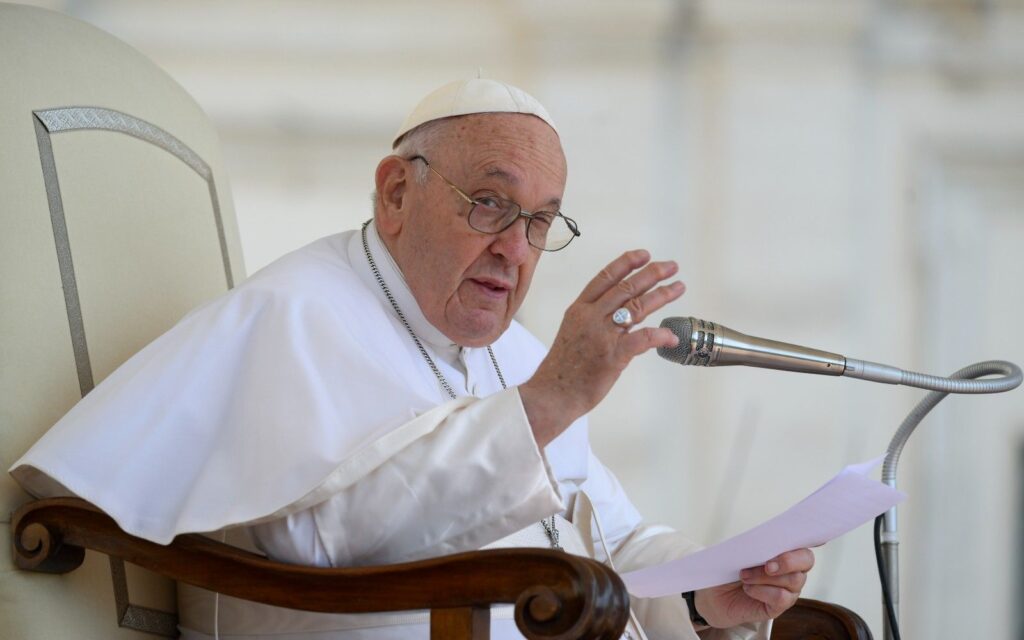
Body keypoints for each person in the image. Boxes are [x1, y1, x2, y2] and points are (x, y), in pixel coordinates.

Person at [10, 79, 814, 639]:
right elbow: (319, 539)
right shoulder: (295, 312)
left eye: (540, 222)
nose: (514, 249)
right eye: (490, 203)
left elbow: (609, 538)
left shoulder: (521, 352)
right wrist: (545, 406)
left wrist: (708, 592)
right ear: (396, 192)